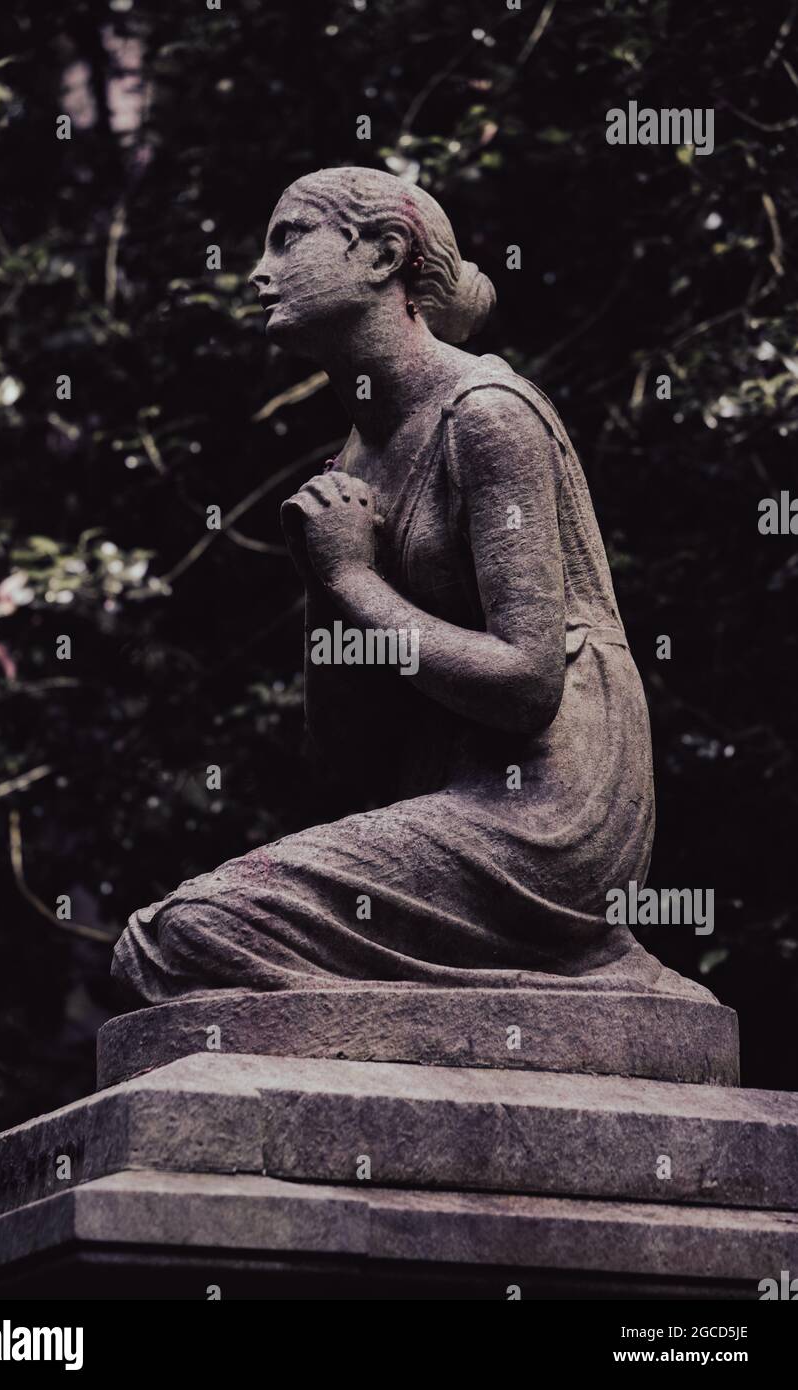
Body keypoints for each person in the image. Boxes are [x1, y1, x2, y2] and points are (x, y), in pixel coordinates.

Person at [112, 166, 701, 1004]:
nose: (257, 271)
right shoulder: (352, 460)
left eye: (288, 238)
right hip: (447, 795)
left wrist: (352, 578)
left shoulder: (488, 415)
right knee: (160, 950)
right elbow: (342, 758)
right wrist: (326, 584)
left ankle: (562, 970)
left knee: (188, 935)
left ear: (385, 254)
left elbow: (528, 686)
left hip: (548, 815)